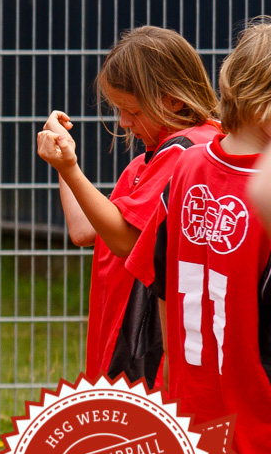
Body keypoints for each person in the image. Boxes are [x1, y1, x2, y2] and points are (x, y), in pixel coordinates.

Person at [126, 19, 271, 454]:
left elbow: (156, 278)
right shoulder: (263, 186)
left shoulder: (186, 168)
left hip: (197, 381)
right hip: (255, 384)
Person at [39, 26, 219, 391]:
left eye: (131, 111)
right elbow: (84, 230)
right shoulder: (147, 163)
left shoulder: (186, 153)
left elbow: (125, 240)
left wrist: (72, 170)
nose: (123, 122)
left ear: (173, 100)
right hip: (123, 342)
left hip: (146, 344)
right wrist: (63, 164)